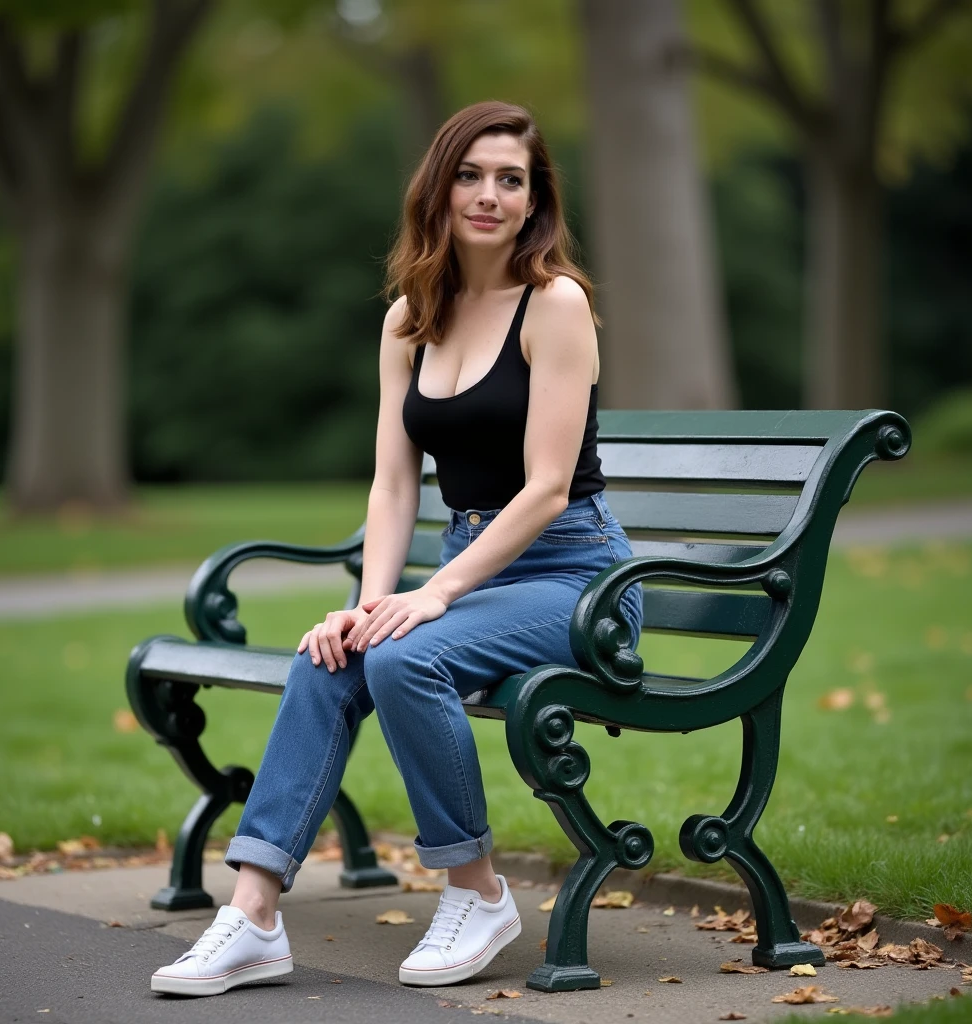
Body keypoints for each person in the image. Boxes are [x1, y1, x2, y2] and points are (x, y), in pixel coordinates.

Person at [150, 99, 644, 998]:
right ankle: (253, 911)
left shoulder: (556, 303)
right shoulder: (410, 316)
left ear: (535, 201)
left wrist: (433, 595)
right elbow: (393, 484)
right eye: (470, 174)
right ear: (440, 186)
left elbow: (545, 488)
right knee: (332, 656)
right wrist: (367, 601)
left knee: (406, 656)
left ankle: (477, 890)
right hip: (478, 566)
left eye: (511, 179)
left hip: (578, 577)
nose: (488, 195)